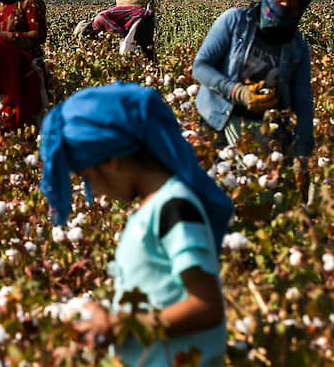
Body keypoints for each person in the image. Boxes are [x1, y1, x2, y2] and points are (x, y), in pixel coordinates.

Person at [39, 82, 233, 367]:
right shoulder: (152, 209)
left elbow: (205, 307)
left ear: (112, 161)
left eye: (89, 178)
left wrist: (120, 325)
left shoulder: (175, 208)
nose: (96, 190)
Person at [193, 0, 315, 197]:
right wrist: (238, 92)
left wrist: (301, 154)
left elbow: (303, 104)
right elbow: (201, 66)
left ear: (303, 3)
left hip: (267, 134)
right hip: (219, 124)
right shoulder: (235, 22)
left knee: (261, 199)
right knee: (216, 197)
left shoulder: (298, 47)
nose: (285, 3)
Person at [73, 0, 158, 59]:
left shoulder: (98, 21)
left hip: (139, 19)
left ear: (88, 31)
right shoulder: (100, 21)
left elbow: (117, 32)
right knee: (148, 52)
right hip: (146, 17)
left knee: (132, 53)